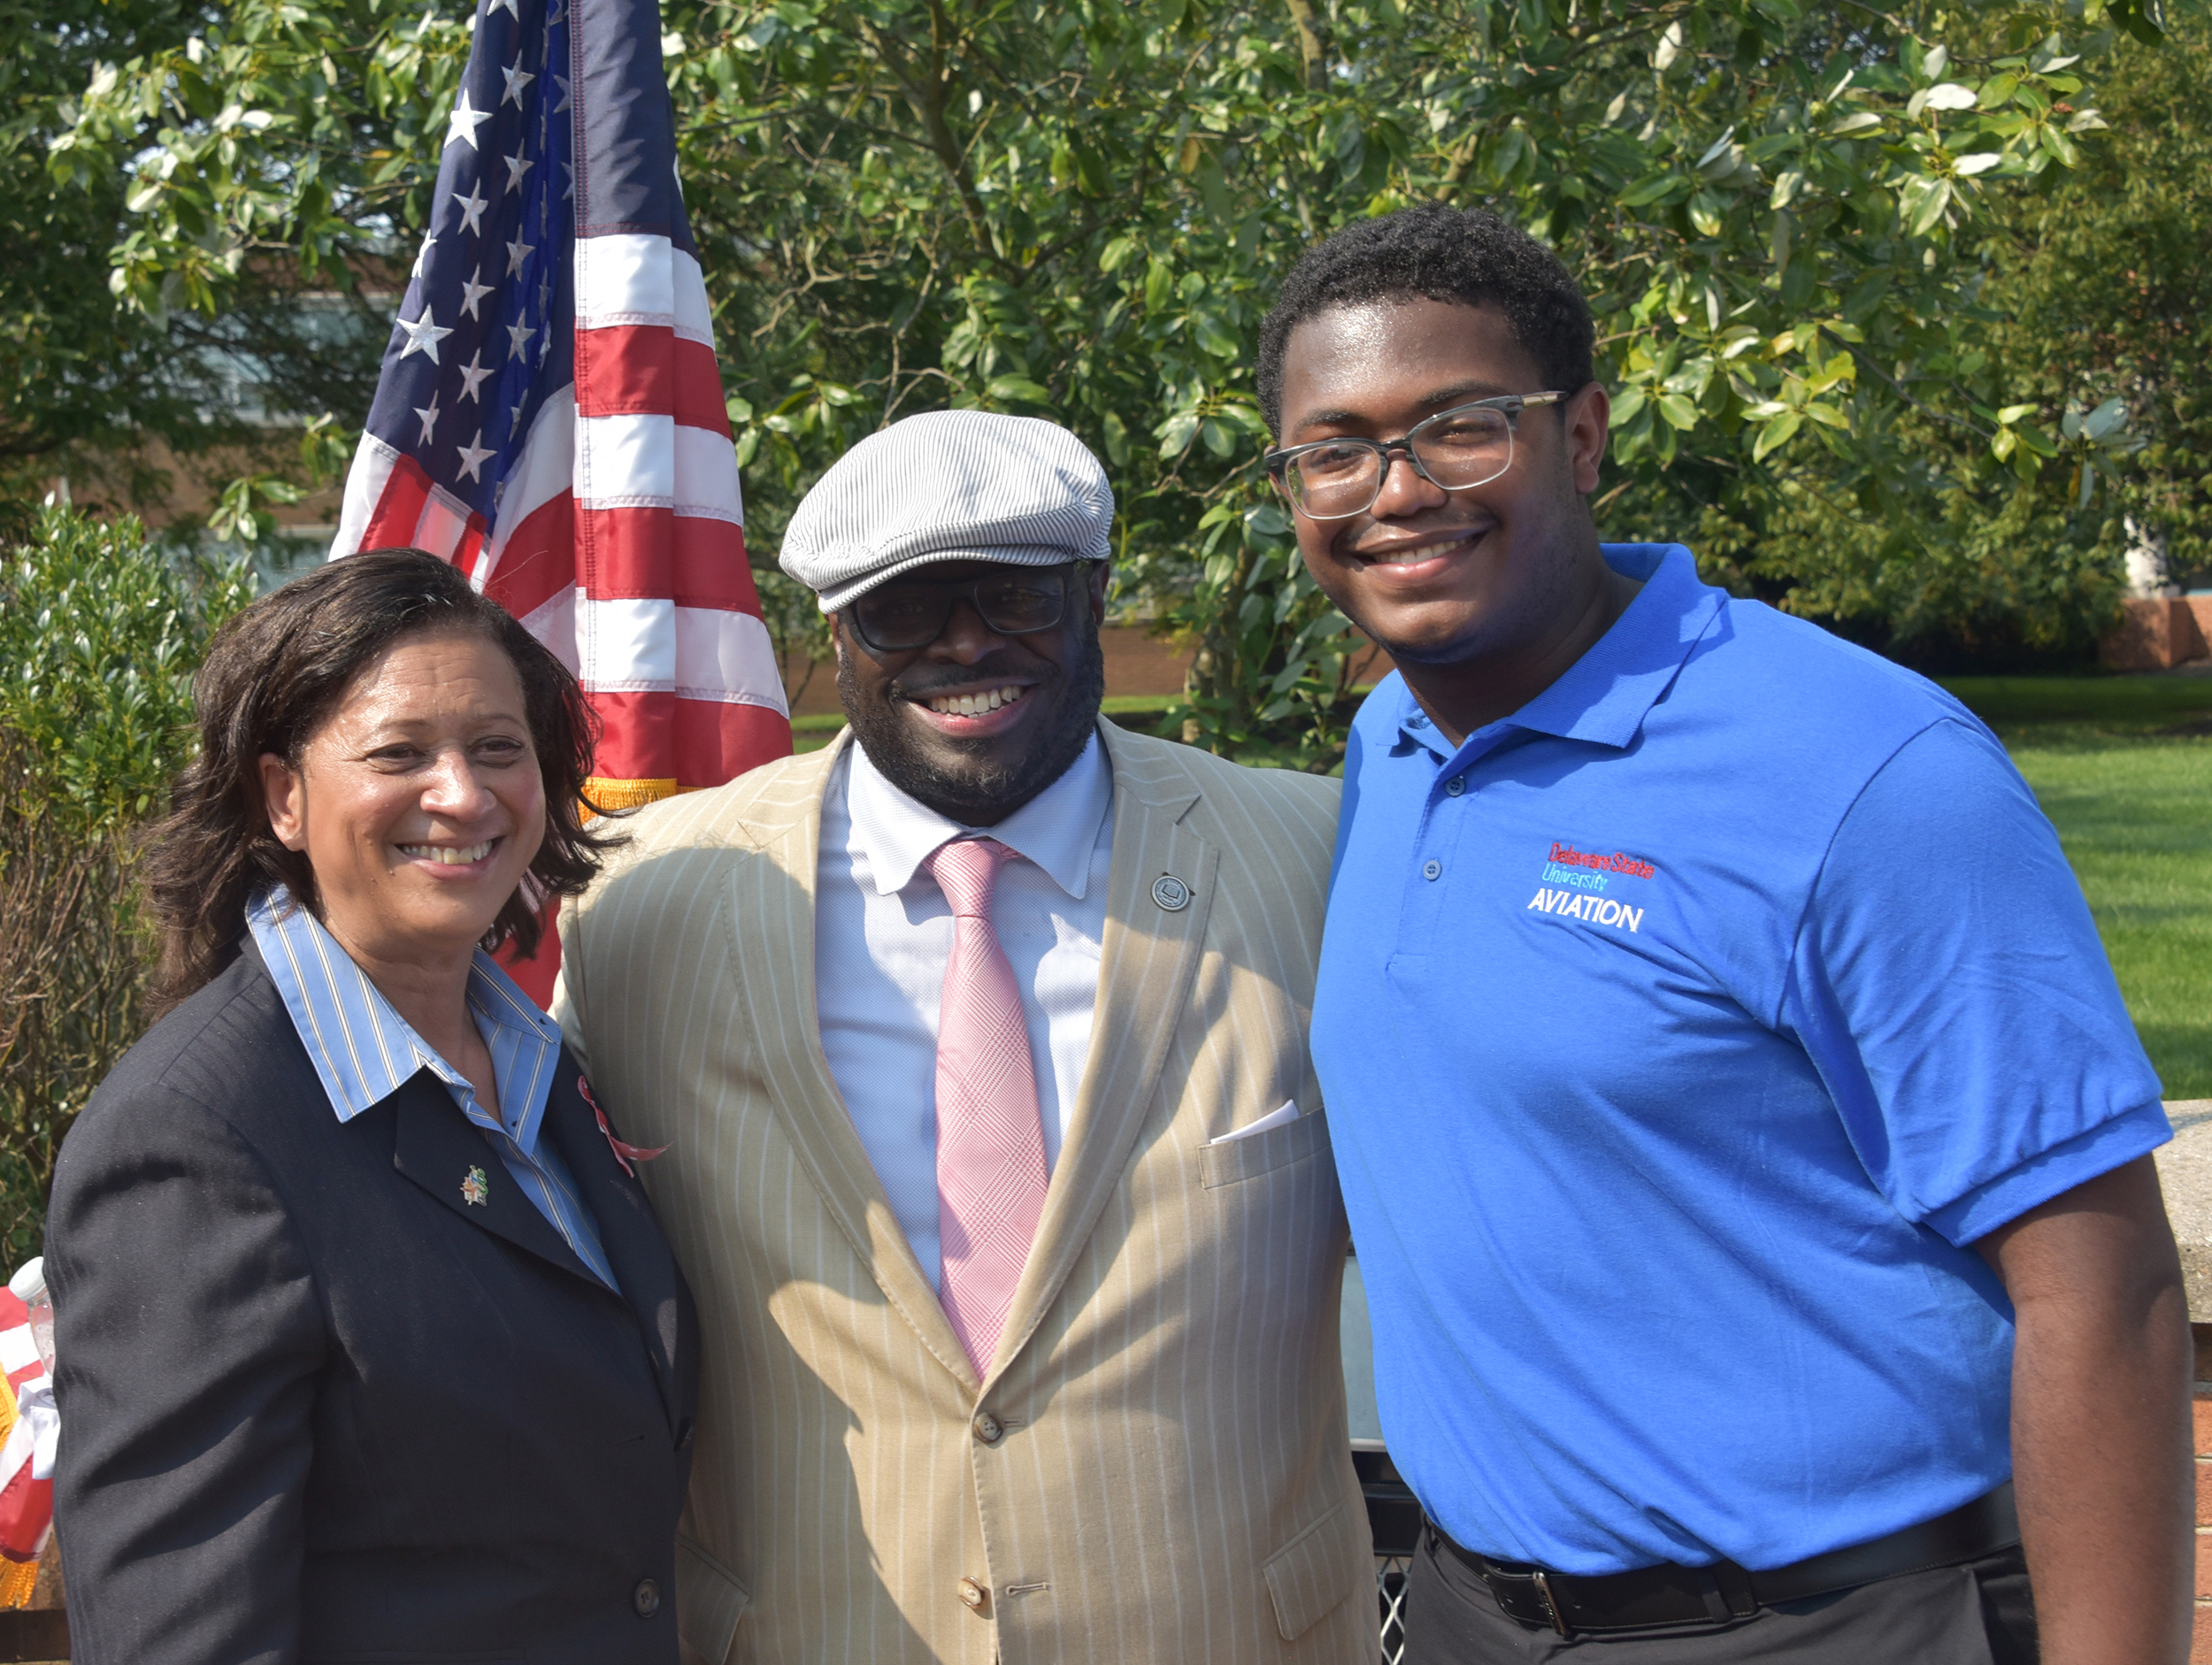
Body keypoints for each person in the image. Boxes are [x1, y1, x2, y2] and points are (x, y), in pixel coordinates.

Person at [1258, 203, 2192, 1663]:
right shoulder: (1391, 743)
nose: (1396, 489)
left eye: (1461, 427)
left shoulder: (1864, 771)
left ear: (1581, 435)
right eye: (1338, 447)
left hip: (1834, 1620)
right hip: (1469, 1613)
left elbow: (2104, 1287)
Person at [553, 410, 1373, 1664]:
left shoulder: (1318, 863)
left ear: (1095, 595)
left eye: (1016, 598)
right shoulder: (637, 905)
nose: (967, 643)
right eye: (905, 612)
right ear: (836, 632)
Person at [46, 549, 700, 1664]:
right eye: (399, 753)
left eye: (499, 748)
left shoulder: (541, 1063)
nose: (462, 792)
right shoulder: (190, 1143)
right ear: (283, 797)